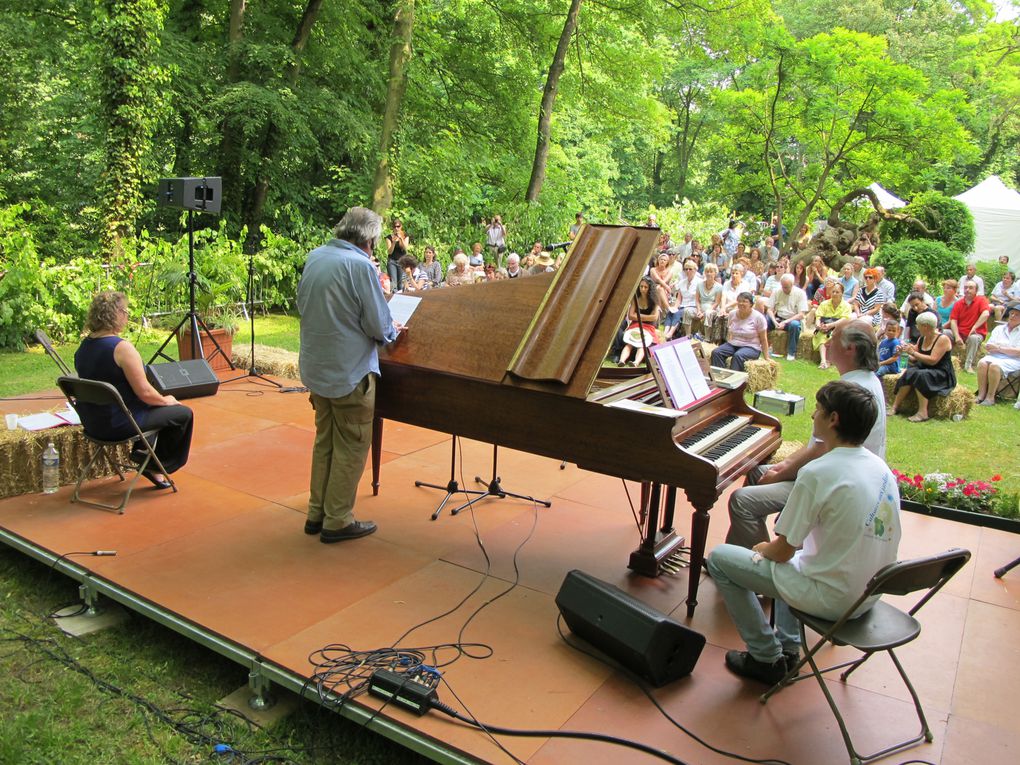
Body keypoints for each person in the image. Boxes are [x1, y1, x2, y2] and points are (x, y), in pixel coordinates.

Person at [707, 380, 901, 685]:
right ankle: (789, 647)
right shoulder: (882, 470)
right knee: (797, 562)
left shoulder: (818, 472)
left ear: (833, 419)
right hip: (867, 595)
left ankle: (764, 657)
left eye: (819, 410)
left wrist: (760, 549)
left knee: (720, 559)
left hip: (834, 599)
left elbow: (782, 550)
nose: (813, 416)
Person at [725, 319, 885, 549]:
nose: (827, 343)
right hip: (839, 472)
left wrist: (782, 472)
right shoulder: (867, 381)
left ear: (851, 349)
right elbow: (819, 445)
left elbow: (820, 452)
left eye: (834, 338)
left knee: (741, 501)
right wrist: (785, 465)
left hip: (833, 483)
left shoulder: (851, 391)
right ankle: (738, 554)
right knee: (756, 474)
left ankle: (760, 563)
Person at [297, 206, 399, 543]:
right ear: (368, 239)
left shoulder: (316, 256)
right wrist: (392, 329)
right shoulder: (359, 266)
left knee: (324, 440)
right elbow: (377, 324)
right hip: (349, 373)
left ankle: (317, 512)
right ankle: (337, 519)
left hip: (318, 369)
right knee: (352, 444)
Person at [73, 291, 193, 488]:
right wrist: (167, 400)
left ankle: (144, 452)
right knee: (182, 413)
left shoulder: (84, 346)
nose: (127, 316)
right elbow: (145, 393)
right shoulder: (121, 349)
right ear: (116, 314)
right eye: (125, 312)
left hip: (93, 423)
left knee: (156, 408)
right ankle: (155, 465)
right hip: (120, 423)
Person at [890, 312, 955, 422]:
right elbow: (914, 359)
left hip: (941, 373)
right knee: (910, 372)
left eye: (918, 325)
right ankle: (895, 407)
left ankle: (923, 413)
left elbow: (933, 361)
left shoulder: (943, 339)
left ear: (925, 326)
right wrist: (903, 352)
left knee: (921, 375)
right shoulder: (922, 338)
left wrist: (913, 352)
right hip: (925, 368)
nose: (916, 327)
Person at [711, 292, 769, 371]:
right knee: (716, 352)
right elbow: (730, 332)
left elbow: (763, 339)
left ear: (751, 304)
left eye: (745, 301)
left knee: (738, 356)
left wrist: (766, 357)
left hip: (751, 347)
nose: (741, 303)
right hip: (734, 344)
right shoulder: (732, 314)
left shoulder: (759, 317)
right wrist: (729, 342)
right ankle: (719, 377)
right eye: (739, 301)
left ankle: (733, 380)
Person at [975, 304, 1020, 405]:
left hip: (1014, 360)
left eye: (1017, 315)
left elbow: (1018, 352)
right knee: (982, 362)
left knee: (995, 366)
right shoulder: (999, 328)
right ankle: (981, 395)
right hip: (995, 356)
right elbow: (989, 346)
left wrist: (999, 348)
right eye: (1012, 313)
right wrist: (1007, 349)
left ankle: (990, 397)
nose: (1012, 316)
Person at [949, 281, 991, 373]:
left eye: (971, 287)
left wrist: (974, 327)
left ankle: (968, 365)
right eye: (966, 287)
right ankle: (948, 361)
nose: (967, 290)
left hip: (976, 333)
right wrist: (956, 336)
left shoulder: (981, 300)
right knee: (944, 333)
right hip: (960, 333)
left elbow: (986, 314)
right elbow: (953, 321)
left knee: (973, 338)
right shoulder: (959, 303)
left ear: (976, 290)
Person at [618, 278, 661, 368]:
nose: (643, 289)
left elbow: (654, 317)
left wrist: (638, 316)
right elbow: (630, 315)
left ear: (650, 288)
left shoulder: (654, 301)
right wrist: (646, 318)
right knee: (630, 343)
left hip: (649, 328)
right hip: (635, 326)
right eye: (641, 286)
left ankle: (636, 362)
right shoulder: (636, 299)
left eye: (646, 287)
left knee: (642, 344)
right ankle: (621, 361)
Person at [766, 273, 808, 361]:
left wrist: (785, 322)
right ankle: (763, 345)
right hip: (778, 318)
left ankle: (791, 352)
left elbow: (801, 314)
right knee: (765, 321)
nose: (784, 289)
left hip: (792, 319)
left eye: (786, 287)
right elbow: (769, 309)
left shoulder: (800, 293)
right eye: (783, 286)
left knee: (795, 325)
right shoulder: (777, 291)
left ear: (792, 285)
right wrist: (774, 321)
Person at [813, 282, 853, 369]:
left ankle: (829, 360)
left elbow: (845, 319)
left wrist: (831, 325)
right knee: (821, 335)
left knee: (833, 336)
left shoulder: (846, 306)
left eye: (837, 292)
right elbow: (818, 316)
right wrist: (818, 325)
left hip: (838, 328)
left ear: (842, 293)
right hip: (824, 327)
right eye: (833, 291)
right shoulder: (824, 304)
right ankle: (823, 361)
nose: (834, 294)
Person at [694, 263, 724, 342]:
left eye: (711, 271)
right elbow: (697, 300)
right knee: (687, 311)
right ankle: (688, 335)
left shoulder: (719, 287)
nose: (709, 273)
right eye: (707, 271)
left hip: (712, 308)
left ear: (715, 273)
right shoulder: (699, 284)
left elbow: (717, 302)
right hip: (700, 307)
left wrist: (703, 312)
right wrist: (699, 310)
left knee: (708, 313)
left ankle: (707, 338)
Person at [385, 217, 410, 292]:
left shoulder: (405, 235)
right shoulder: (389, 237)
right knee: (393, 283)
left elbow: (405, 248)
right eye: (394, 226)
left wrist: (401, 238)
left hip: (402, 262)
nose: (396, 228)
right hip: (392, 261)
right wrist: (393, 242)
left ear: (401, 226)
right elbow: (389, 252)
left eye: (398, 226)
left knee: (401, 284)